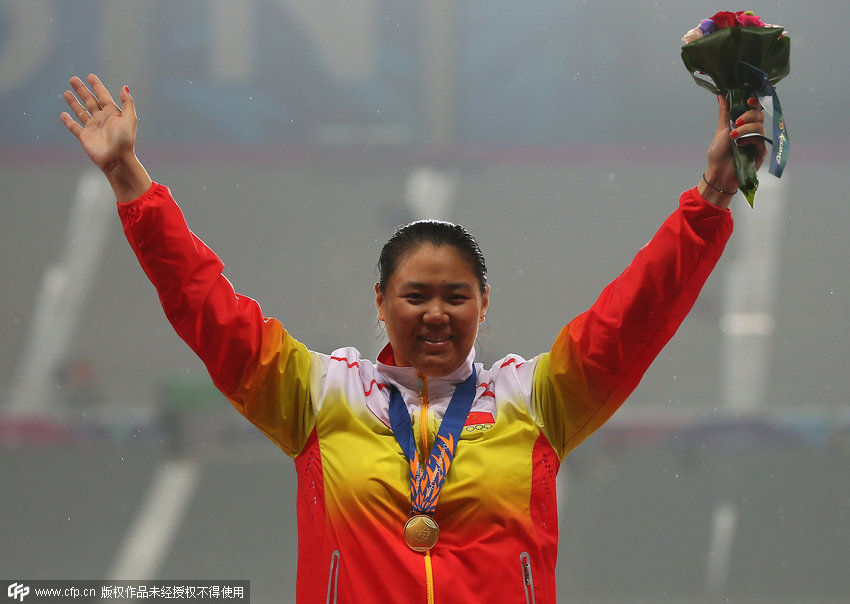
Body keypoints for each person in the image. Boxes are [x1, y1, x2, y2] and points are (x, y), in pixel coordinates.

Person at [61, 74, 766, 603]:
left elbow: (633, 318)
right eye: (415, 296)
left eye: (456, 296)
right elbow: (206, 308)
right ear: (380, 303)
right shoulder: (319, 397)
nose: (435, 313)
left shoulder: (536, 401)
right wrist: (128, 177)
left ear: (484, 305)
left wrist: (712, 195)